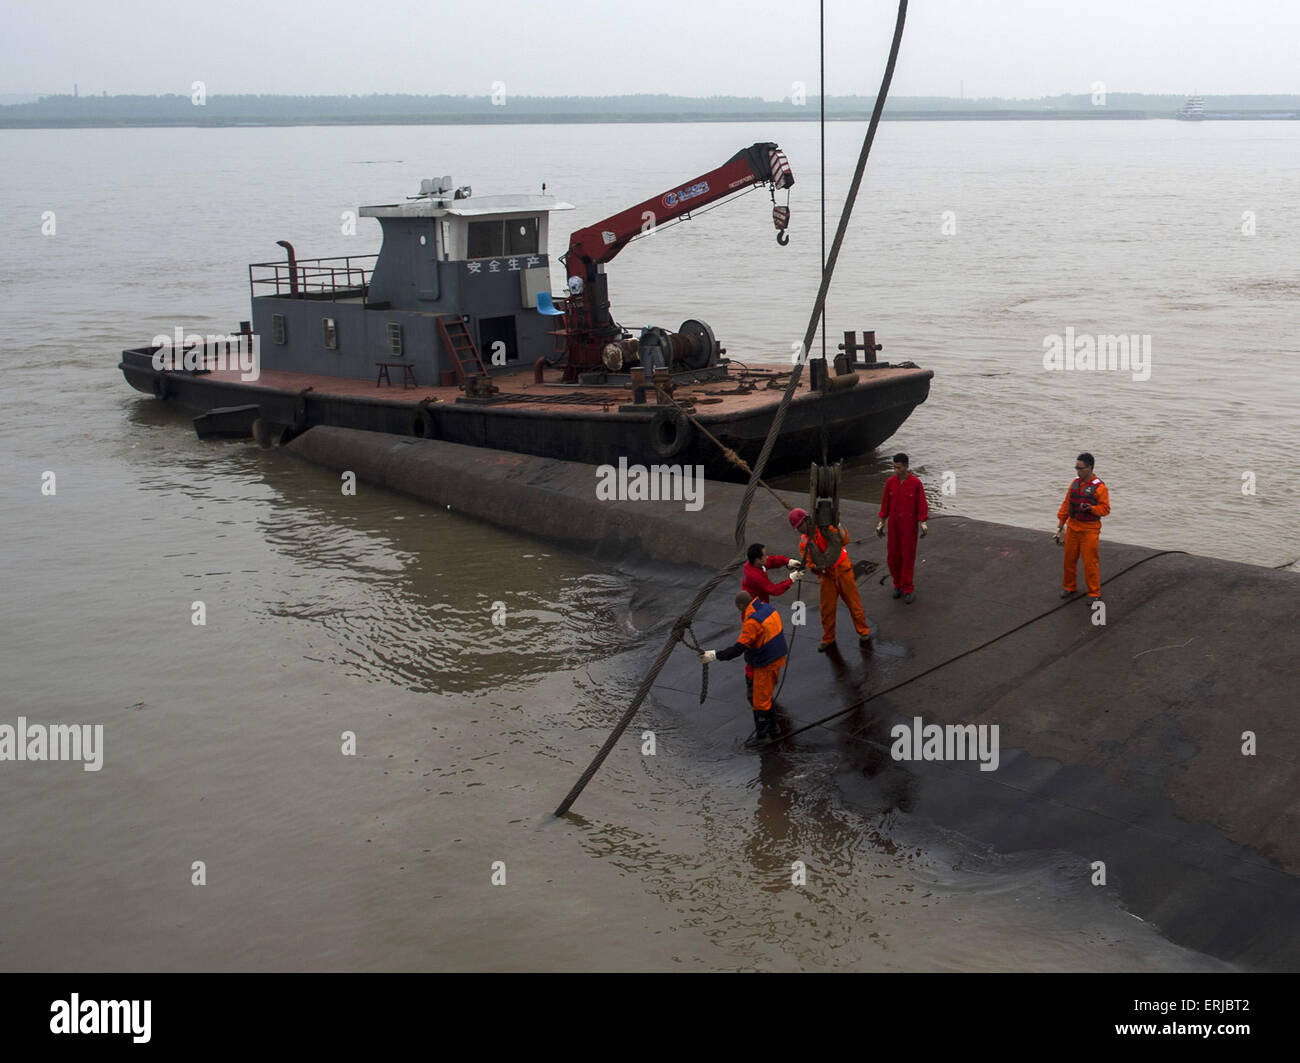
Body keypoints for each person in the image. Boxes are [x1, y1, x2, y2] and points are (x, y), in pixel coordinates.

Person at [698, 592, 789, 743]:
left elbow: (738, 649)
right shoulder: (768, 609)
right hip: (777, 658)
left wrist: (714, 655)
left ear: (741, 606)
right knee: (766, 696)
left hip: (766, 663)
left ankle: (762, 736)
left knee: (759, 701)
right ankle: (774, 727)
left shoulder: (752, 622)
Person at [788, 507, 871, 652]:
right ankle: (828, 638)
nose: (800, 529)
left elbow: (845, 539)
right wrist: (817, 567)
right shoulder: (803, 541)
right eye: (797, 528)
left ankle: (863, 631)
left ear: (807, 520)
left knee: (854, 604)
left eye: (801, 525)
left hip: (843, 571)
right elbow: (809, 562)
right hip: (826, 577)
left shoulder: (826, 528)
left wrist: (838, 524)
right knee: (827, 610)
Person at [1055, 452, 1110, 600]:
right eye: (1076, 468)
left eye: (1081, 468)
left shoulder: (1100, 488)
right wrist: (1061, 526)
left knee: (1090, 563)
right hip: (1073, 527)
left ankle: (1094, 593)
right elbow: (1066, 504)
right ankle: (1069, 586)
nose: (1078, 471)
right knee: (1069, 560)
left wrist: (1091, 509)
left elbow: (1105, 509)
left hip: (1090, 530)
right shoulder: (1074, 483)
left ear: (1090, 468)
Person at [876, 452, 929, 603]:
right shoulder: (890, 483)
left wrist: (923, 522)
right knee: (893, 558)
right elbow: (885, 504)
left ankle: (907, 588)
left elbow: (921, 504)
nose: (896, 470)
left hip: (909, 527)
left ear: (906, 467)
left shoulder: (916, 483)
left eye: (898, 467)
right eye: (894, 467)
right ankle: (897, 584)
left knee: (907, 558)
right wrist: (881, 522)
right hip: (894, 526)